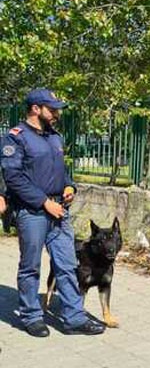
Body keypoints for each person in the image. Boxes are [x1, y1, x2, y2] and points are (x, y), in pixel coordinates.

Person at [0, 88, 105, 337]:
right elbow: (13, 177)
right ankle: (31, 316)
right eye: (52, 108)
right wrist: (44, 202)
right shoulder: (15, 137)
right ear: (36, 109)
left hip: (60, 210)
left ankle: (74, 317)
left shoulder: (54, 137)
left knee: (67, 265)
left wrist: (70, 185)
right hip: (32, 212)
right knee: (31, 267)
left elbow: (60, 171)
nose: (57, 113)